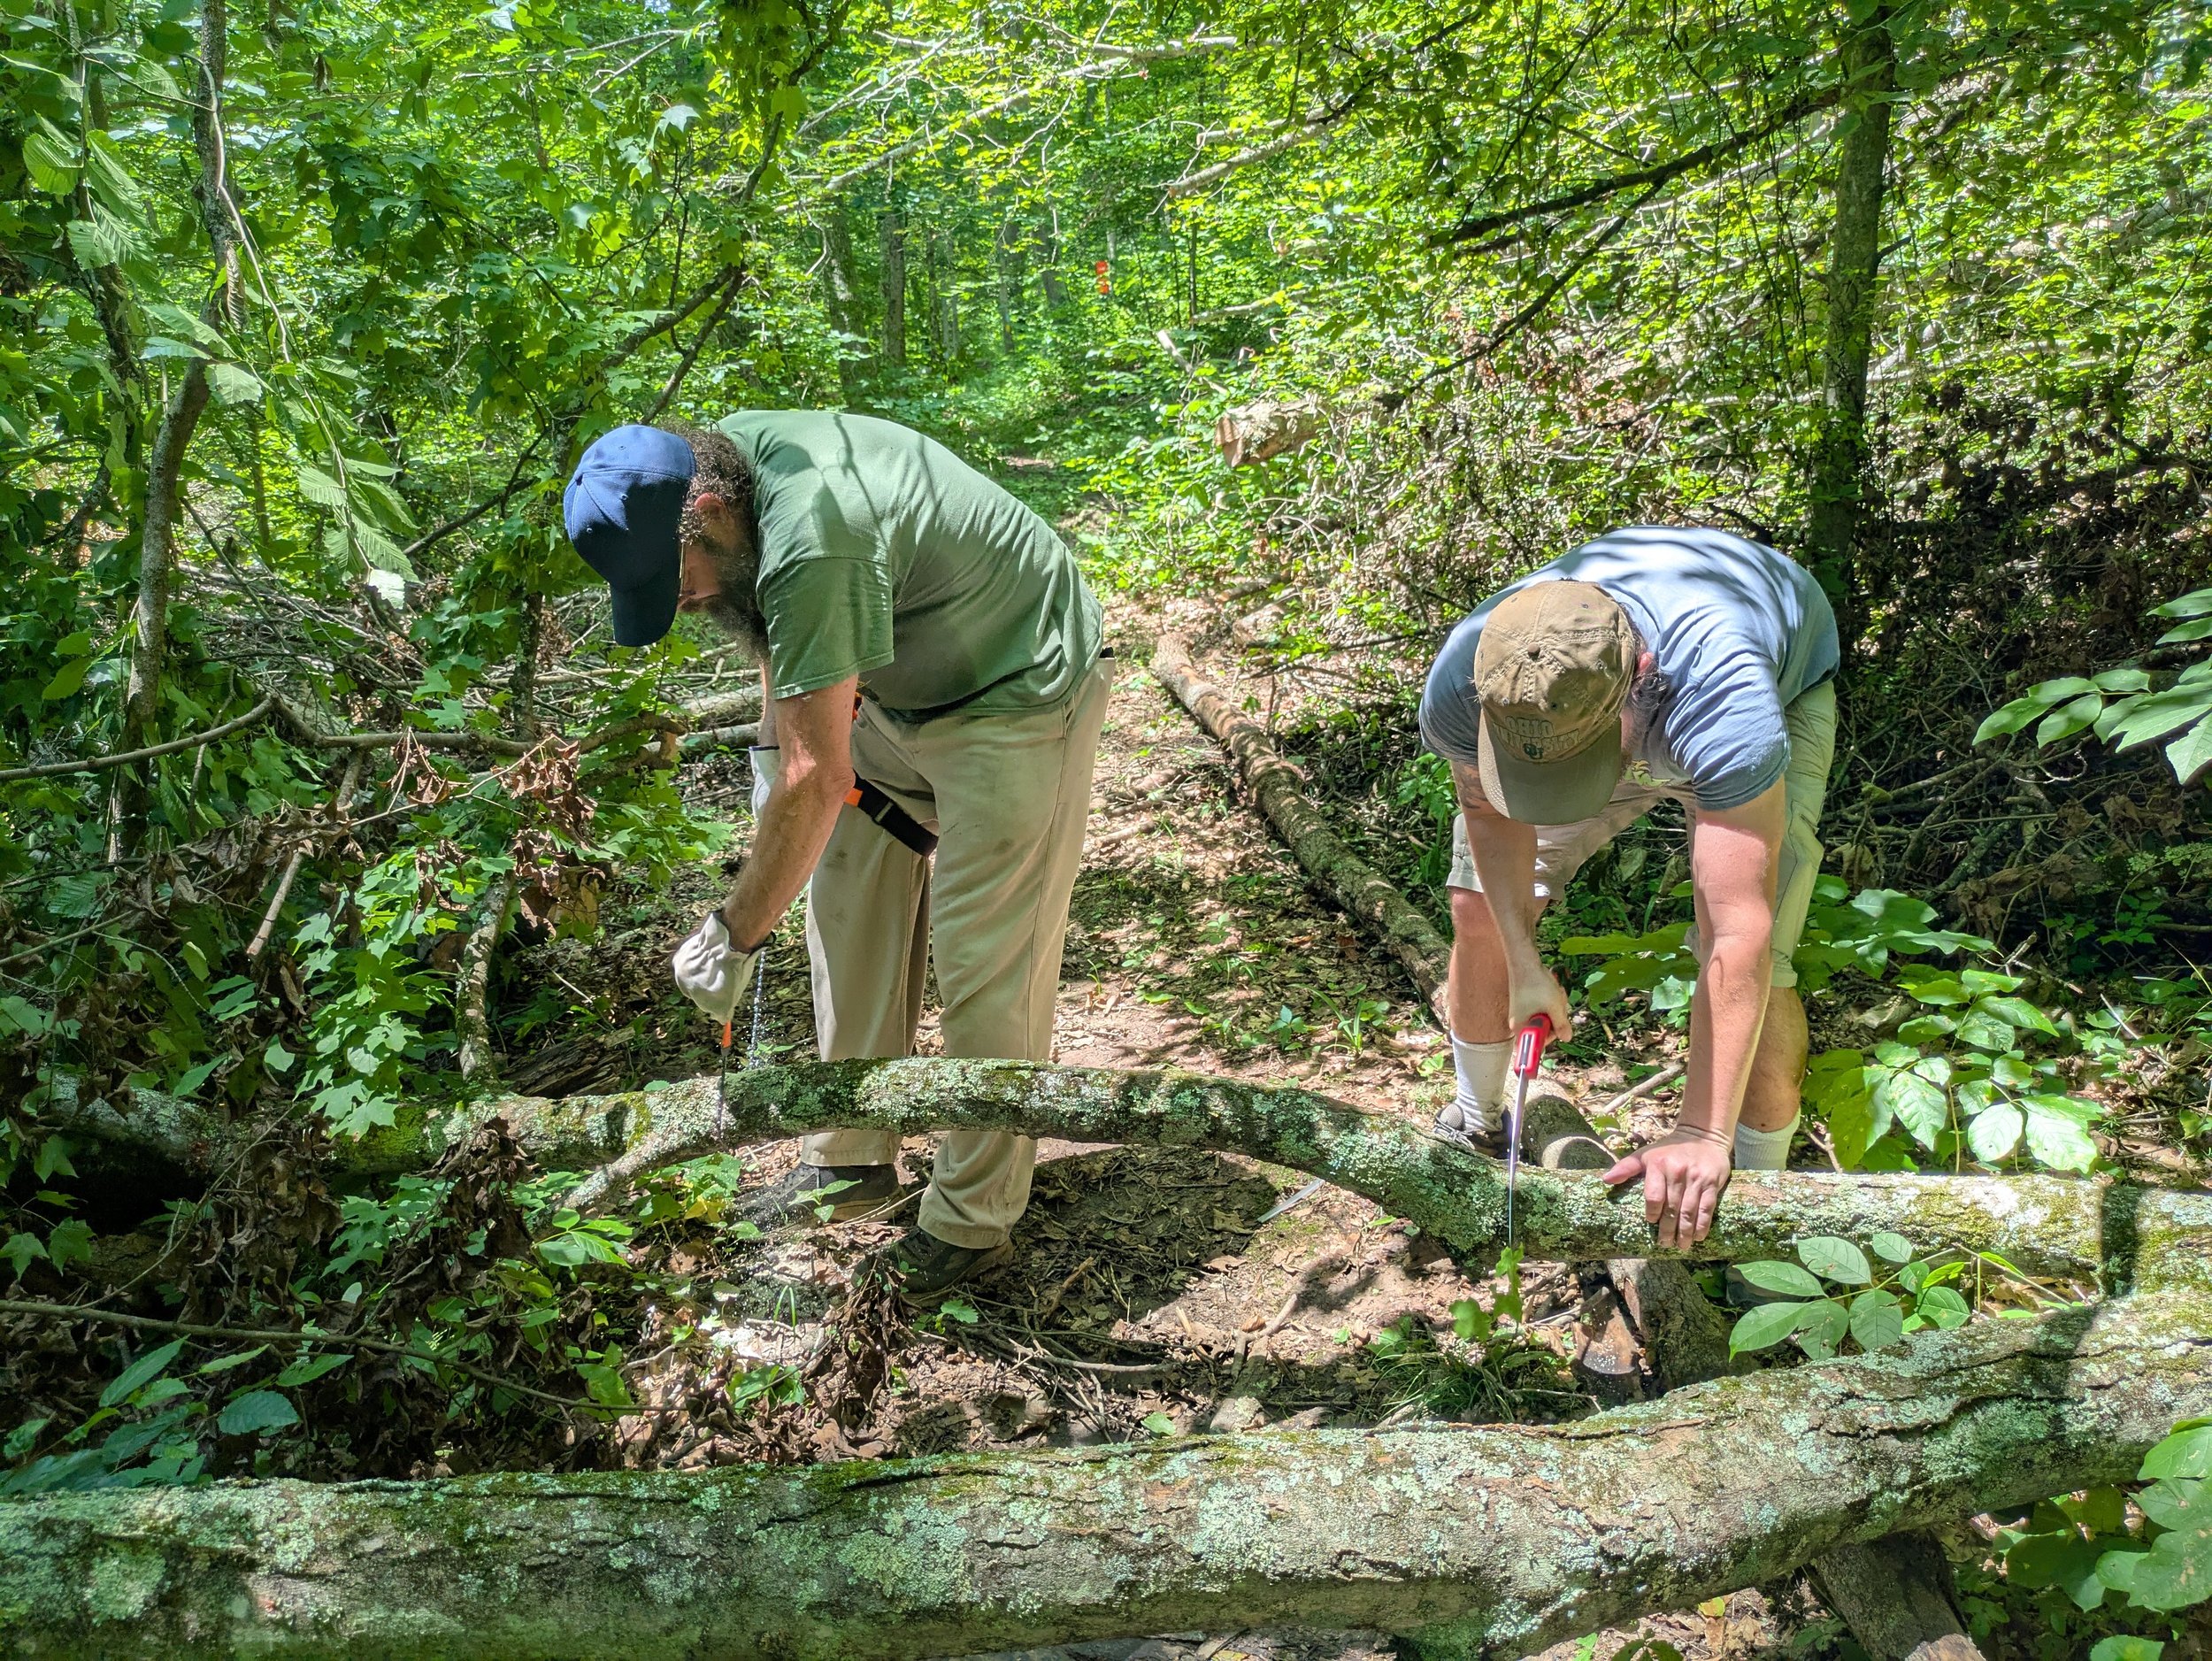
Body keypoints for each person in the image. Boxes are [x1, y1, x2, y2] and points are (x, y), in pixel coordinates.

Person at [562, 413, 1110, 1303]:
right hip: (902, 693)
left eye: (677, 582)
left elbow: (819, 771)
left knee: (983, 962)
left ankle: (971, 1222)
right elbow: (782, 643)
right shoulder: (724, 470)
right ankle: (852, 1153)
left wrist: (731, 935)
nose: (686, 605)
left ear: (706, 512)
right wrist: (774, 759)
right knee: (842, 877)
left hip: (1020, 684)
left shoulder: (814, 528)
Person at [1418, 527, 1839, 1248]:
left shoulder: (1724, 693)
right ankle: (1478, 1119)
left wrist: (1700, 1131)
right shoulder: (1467, 674)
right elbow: (1489, 811)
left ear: (1640, 672)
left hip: (1770, 696)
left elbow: (1738, 931)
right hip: (1609, 717)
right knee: (1479, 906)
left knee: (1763, 971)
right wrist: (1524, 964)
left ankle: (1754, 1204)